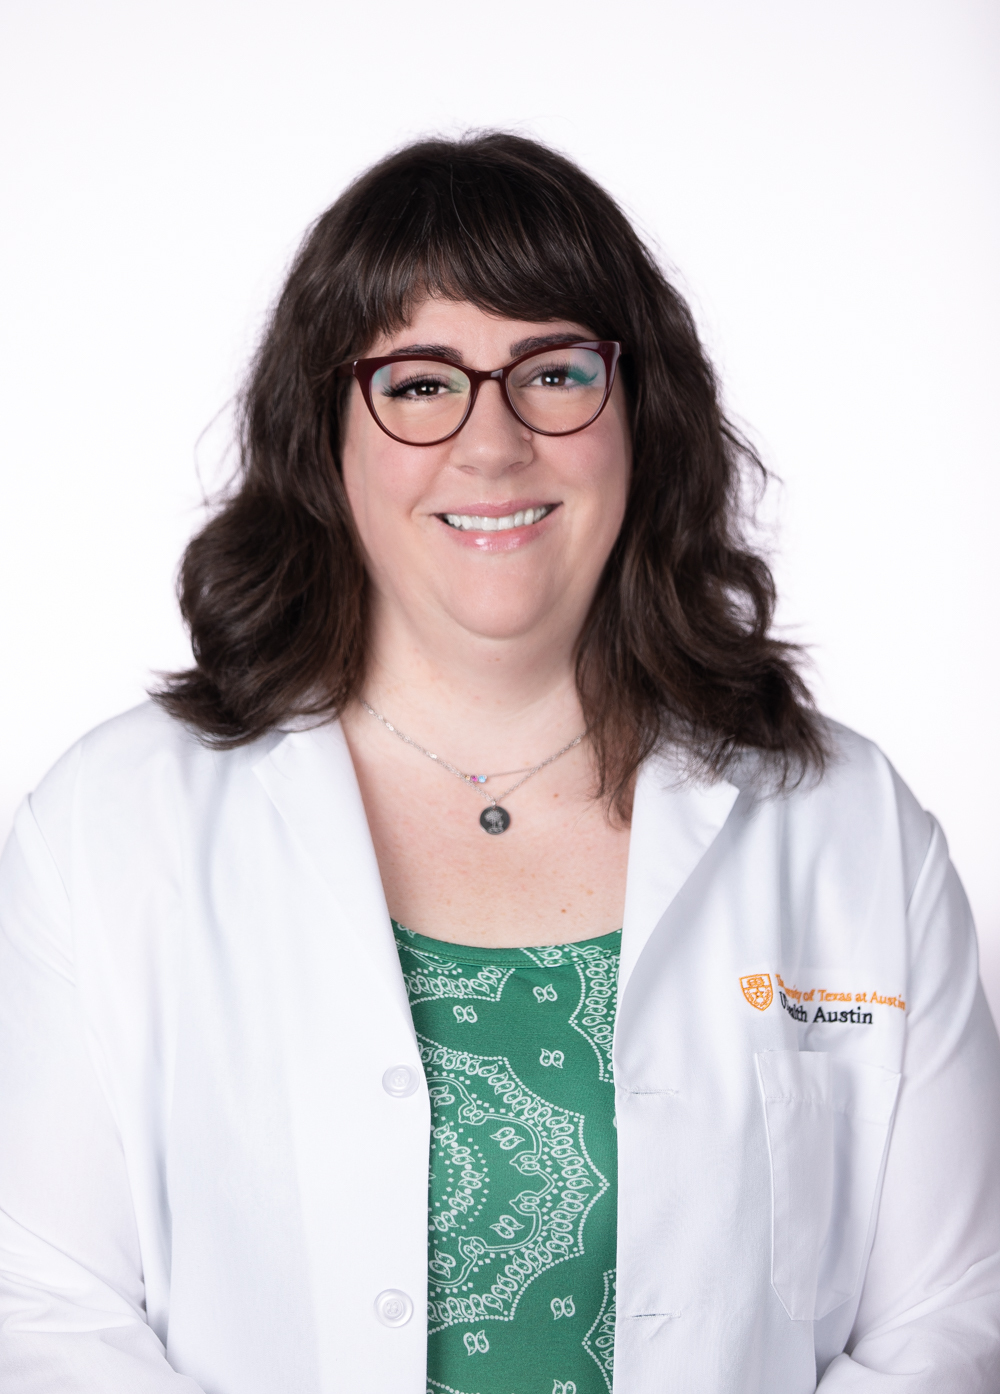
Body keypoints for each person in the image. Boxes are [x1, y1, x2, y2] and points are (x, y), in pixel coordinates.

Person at [0, 133, 997, 1394]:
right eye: (419, 383)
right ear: (325, 433)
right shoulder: (109, 825)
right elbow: (45, 1309)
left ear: (640, 413)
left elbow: (953, 1314)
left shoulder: (850, 827)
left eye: (554, 372)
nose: (492, 443)